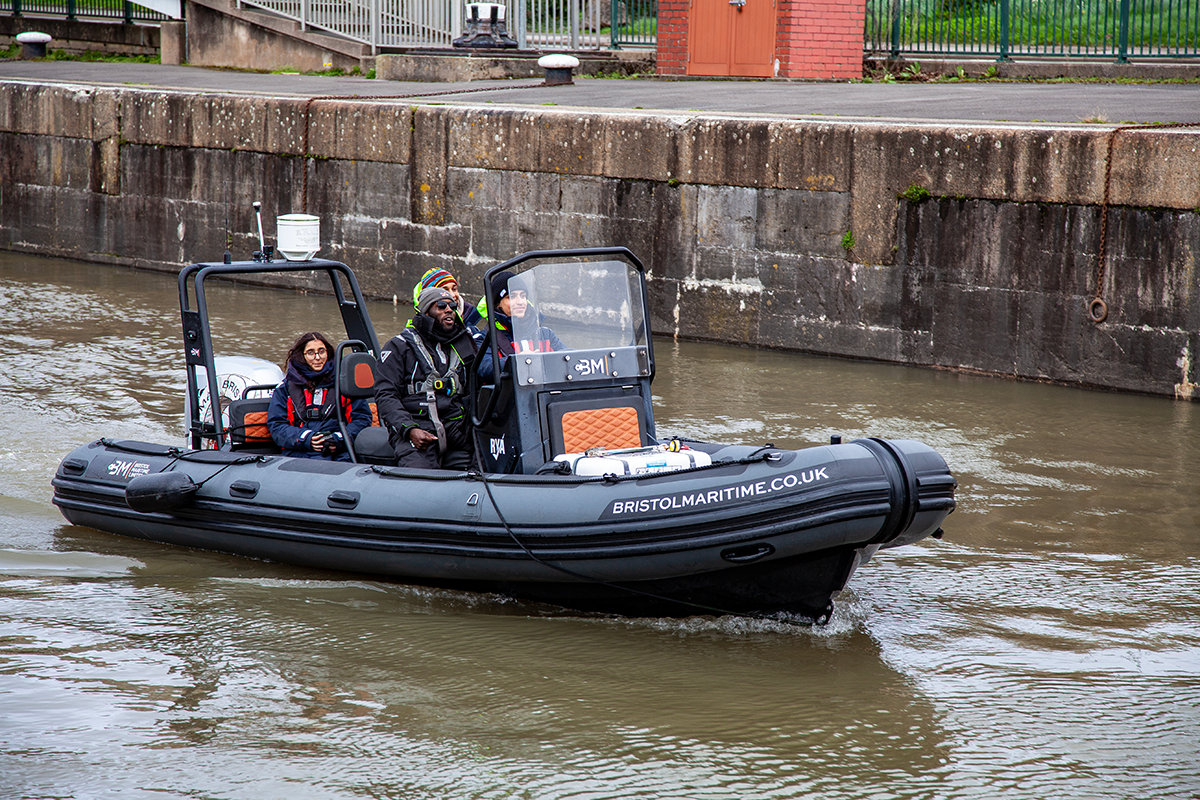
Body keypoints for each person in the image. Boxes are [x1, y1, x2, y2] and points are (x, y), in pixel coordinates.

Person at [375, 287, 479, 469]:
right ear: (426, 311)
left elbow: (476, 388)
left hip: (456, 424)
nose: (449, 310)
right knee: (419, 474)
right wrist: (409, 429)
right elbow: (385, 395)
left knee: (491, 446)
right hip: (416, 424)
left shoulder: (464, 344)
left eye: (452, 306)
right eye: (441, 306)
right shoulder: (398, 347)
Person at [267, 332, 371, 461]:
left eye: (321, 351)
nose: (317, 357)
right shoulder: (285, 388)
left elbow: (361, 419)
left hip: (340, 452)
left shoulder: (344, 384)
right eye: (311, 353)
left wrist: (339, 439)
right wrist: (307, 439)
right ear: (302, 356)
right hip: (300, 452)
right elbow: (277, 425)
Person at [476, 270, 566, 381]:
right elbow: (484, 368)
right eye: (511, 297)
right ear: (497, 304)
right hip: (508, 391)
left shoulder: (546, 334)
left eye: (523, 296)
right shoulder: (484, 339)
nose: (520, 302)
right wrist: (517, 361)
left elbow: (568, 357)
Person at [410, 267, 484, 330]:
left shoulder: (471, 316)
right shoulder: (415, 331)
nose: (452, 295)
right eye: (445, 290)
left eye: (454, 289)